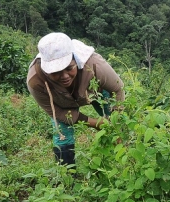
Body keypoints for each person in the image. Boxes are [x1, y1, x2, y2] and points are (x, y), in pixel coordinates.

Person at [27, 32, 125, 169]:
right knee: (62, 135)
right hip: (62, 102)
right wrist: (95, 123)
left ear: (75, 60)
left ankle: (125, 165)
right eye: (55, 72)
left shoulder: (94, 65)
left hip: (95, 91)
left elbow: (118, 89)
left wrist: (116, 119)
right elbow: (58, 112)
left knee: (117, 127)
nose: (64, 76)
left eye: (69, 68)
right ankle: (67, 179)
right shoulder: (36, 80)